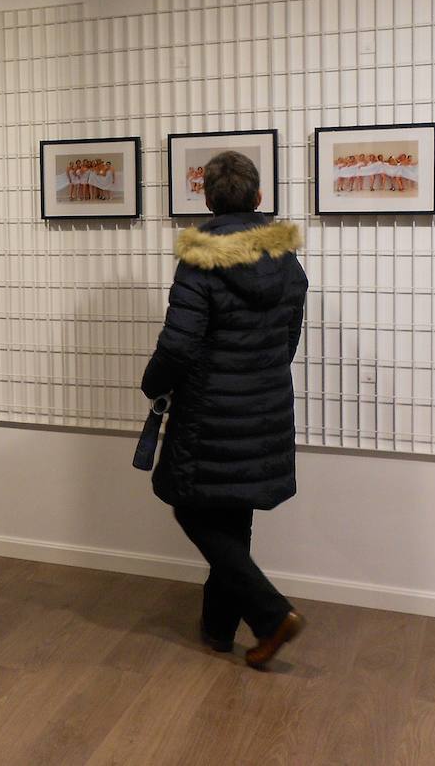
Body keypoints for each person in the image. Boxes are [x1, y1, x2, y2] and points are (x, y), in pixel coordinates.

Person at [141, 150, 308, 670]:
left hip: (210, 412)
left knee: (191, 507)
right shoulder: (286, 260)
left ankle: (270, 613)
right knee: (233, 515)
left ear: (208, 201)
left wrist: (153, 384)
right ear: (258, 198)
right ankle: (217, 630)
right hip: (266, 407)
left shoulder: (201, 261)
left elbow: (178, 344)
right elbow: (288, 336)